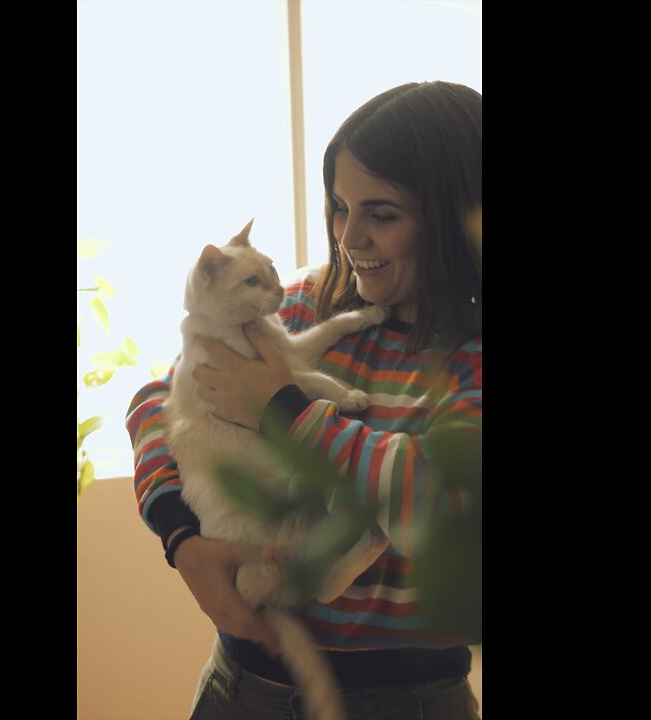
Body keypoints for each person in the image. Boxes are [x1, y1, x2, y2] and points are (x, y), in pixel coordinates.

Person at [126, 80, 482, 719]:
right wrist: (179, 533)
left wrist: (282, 408)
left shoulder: (471, 356)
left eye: (383, 214)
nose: (349, 237)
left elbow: (428, 499)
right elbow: (157, 398)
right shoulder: (296, 301)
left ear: (459, 213)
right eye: (340, 207)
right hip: (241, 689)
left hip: (410, 702)